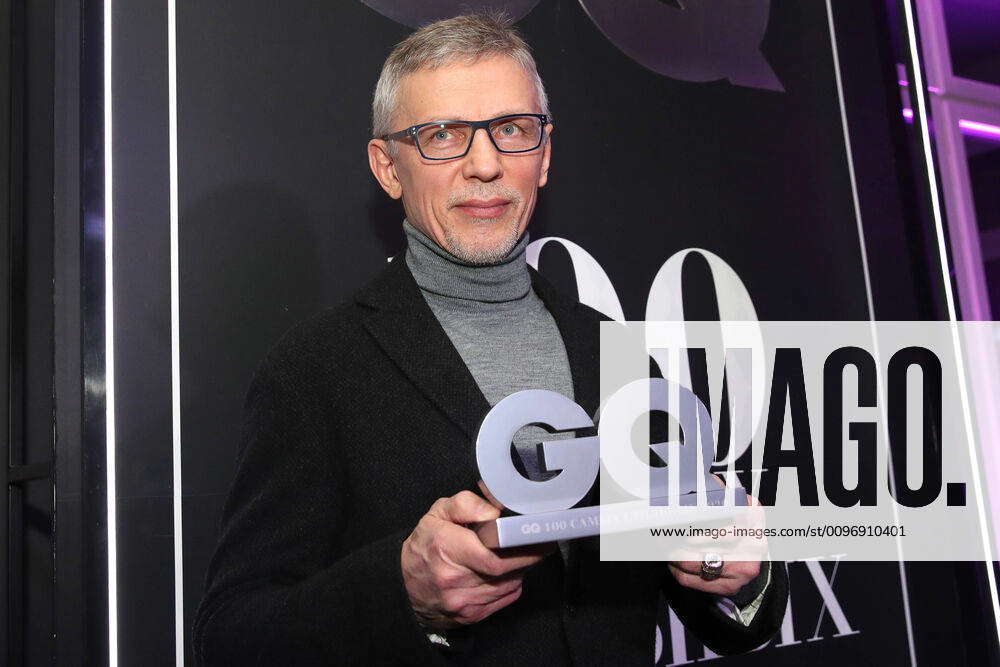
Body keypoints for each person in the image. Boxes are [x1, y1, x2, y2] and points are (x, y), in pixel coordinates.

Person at [192, 13, 787, 666]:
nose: (485, 164)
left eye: (510, 129)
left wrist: (739, 572)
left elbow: (716, 603)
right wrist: (403, 589)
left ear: (546, 154)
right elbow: (231, 636)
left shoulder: (614, 350)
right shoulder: (314, 372)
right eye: (443, 134)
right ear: (389, 167)